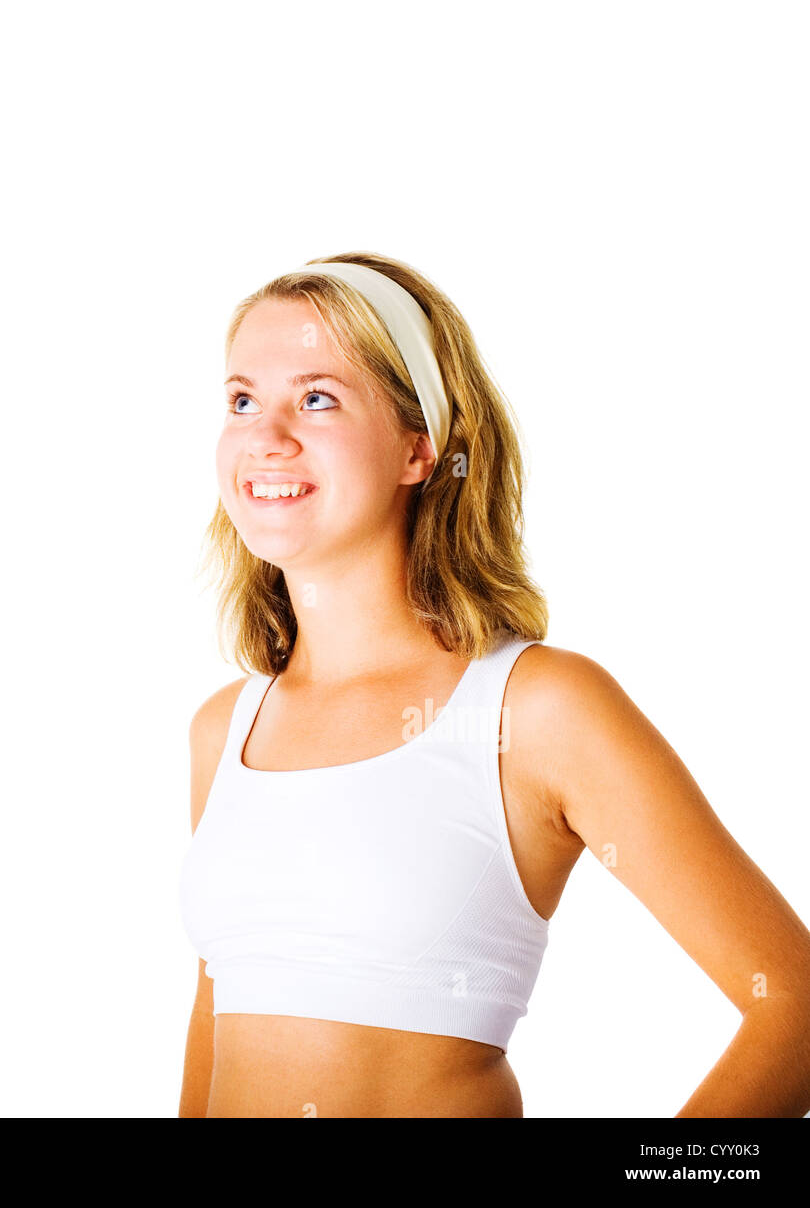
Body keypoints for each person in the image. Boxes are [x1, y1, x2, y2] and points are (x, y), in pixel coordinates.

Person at [177, 253, 810, 1118]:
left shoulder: (535, 710)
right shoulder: (227, 728)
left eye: (317, 397)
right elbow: (220, 1007)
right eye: (242, 399)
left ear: (418, 446)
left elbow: (794, 1005)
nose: (264, 434)